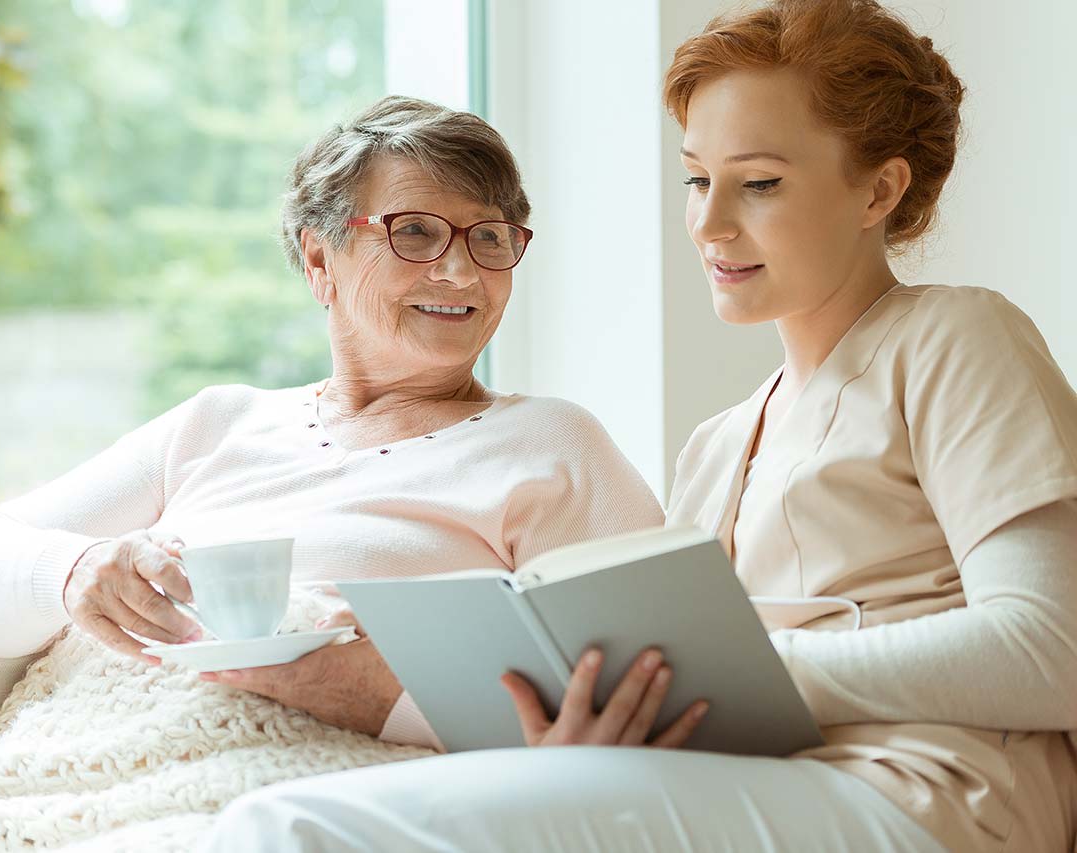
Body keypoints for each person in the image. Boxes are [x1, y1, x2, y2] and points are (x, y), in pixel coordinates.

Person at [201, 2, 1077, 850]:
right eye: (699, 179)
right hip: (758, 788)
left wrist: (749, 671)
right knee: (288, 811)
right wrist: (598, 726)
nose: (710, 222)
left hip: (928, 801)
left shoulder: (955, 337)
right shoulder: (717, 446)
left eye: (760, 183)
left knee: (284, 827)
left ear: (879, 188)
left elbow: (1053, 647)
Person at [0, 95, 678, 746]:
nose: (461, 273)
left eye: (489, 238)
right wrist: (73, 573)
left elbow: (658, 676)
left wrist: (375, 694)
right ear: (320, 260)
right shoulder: (219, 423)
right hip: (80, 757)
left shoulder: (550, 444)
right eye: (415, 233)